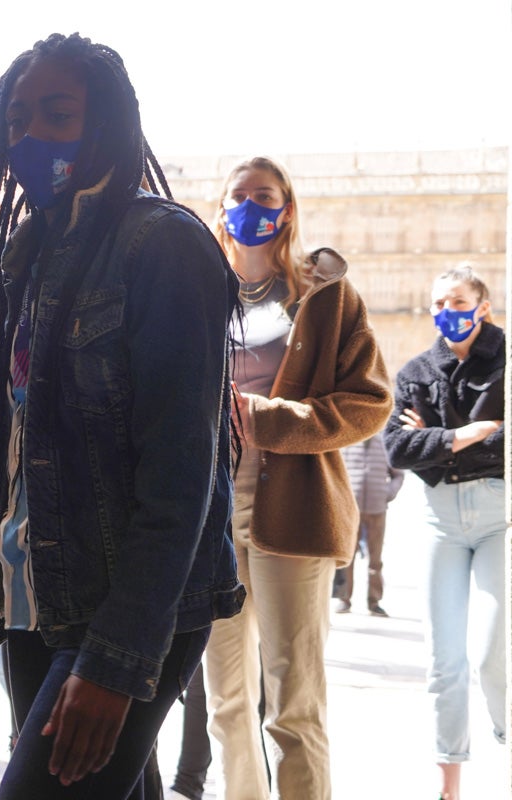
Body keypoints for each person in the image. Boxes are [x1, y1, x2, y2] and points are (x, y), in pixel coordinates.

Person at [0, 33, 245, 800]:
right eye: (17, 120)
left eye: (57, 115)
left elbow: (180, 475)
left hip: (120, 609)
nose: (31, 136)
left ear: (107, 122)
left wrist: (116, 659)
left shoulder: (164, 246)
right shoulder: (25, 257)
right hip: (32, 601)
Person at [201, 156, 392, 799]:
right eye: (239, 194)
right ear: (221, 206)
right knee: (225, 701)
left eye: (265, 195)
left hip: (294, 505)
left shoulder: (325, 295)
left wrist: (266, 418)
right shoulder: (198, 291)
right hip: (208, 507)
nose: (250, 206)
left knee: (293, 703)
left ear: (287, 209)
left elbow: (370, 403)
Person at [383, 265, 505, 800]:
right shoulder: (416, 371)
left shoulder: (505, 360)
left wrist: (433, 437)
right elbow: (396, 448)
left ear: (482, 306)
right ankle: (448, 782)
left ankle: (505, 736)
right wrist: (465, 434)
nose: (447, 312)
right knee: (444, 659)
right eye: (438, 303)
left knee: (493, 651)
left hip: (499, 516)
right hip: (438, 519)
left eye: (457, 301)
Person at [332, 433, 405, 616]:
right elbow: (334, 472)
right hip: (350, 510)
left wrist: (387, 493)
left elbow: (398, 475)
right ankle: (344, 599)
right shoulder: (348, 442)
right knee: (347, 556)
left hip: (377, 509)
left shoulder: (384, 443)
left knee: (375, 560)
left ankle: (374, 602)